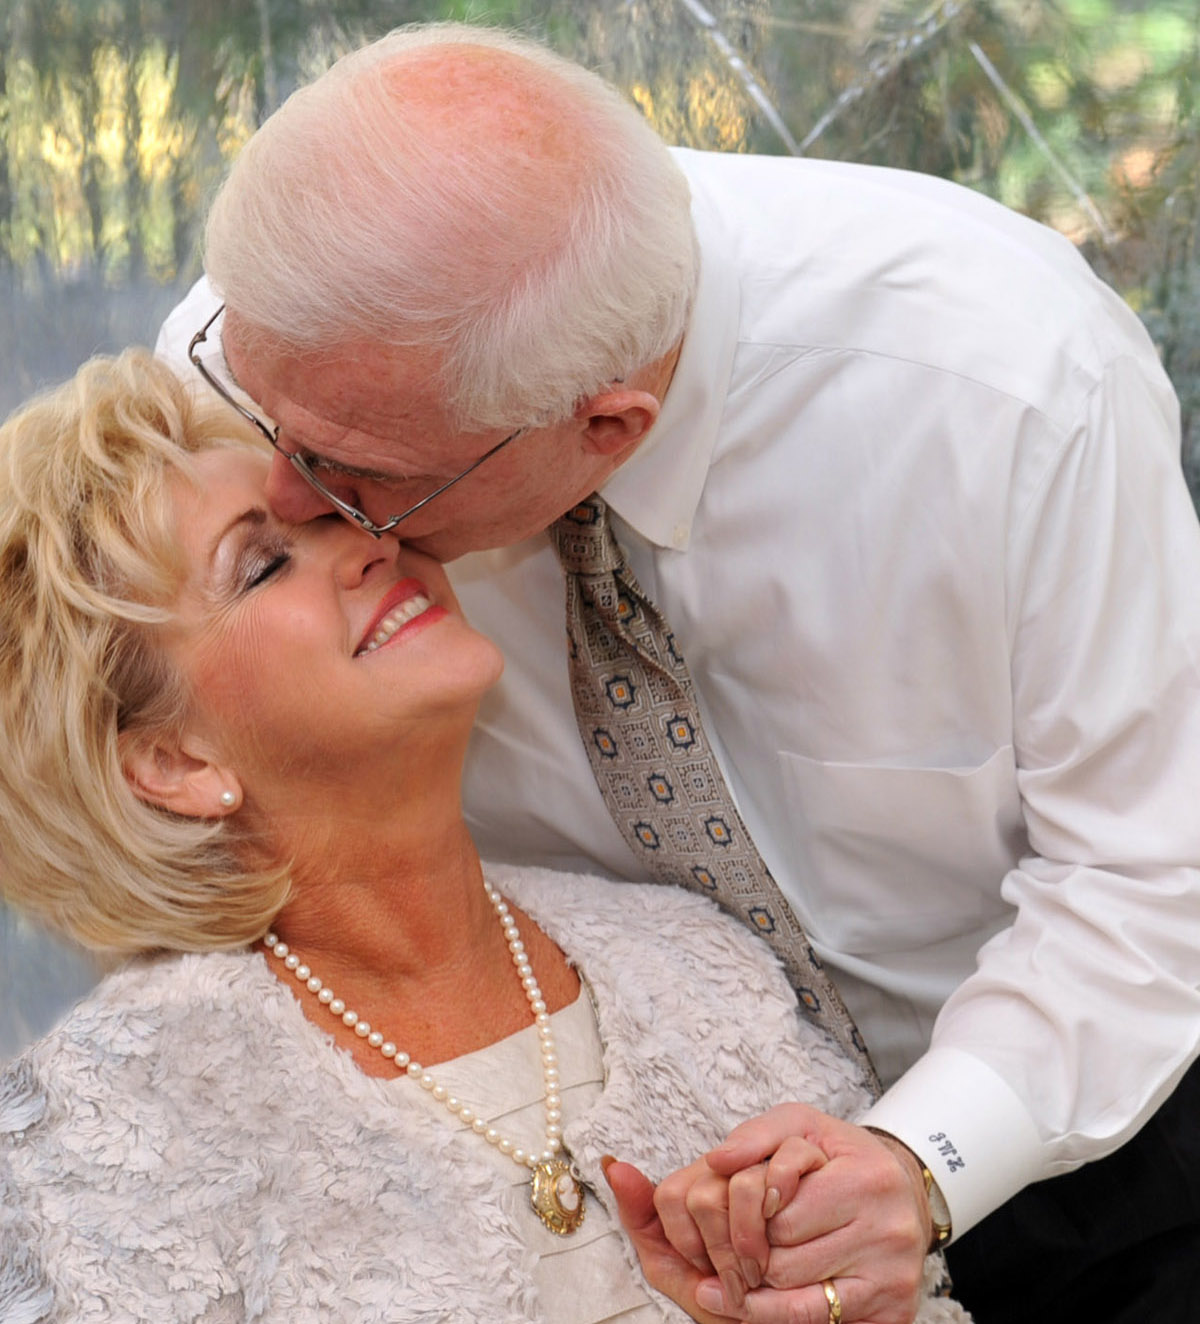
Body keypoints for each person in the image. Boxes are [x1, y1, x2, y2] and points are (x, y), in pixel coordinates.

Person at [154, 22, 1200, 1324]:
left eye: (356, 478)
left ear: (604, 427)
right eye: (272, 427)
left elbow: (1146, 873)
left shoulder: (1006, 384)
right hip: (613, 1169)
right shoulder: (293, 356)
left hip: (1088, 1124)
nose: (284, 492)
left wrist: (917, 1159)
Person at [0, 350, 971, 1324]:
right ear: (170, 763)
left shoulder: (698, 967)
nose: (372, 545)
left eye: (345, 510)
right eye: (263, 563)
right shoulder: (102, 1126)